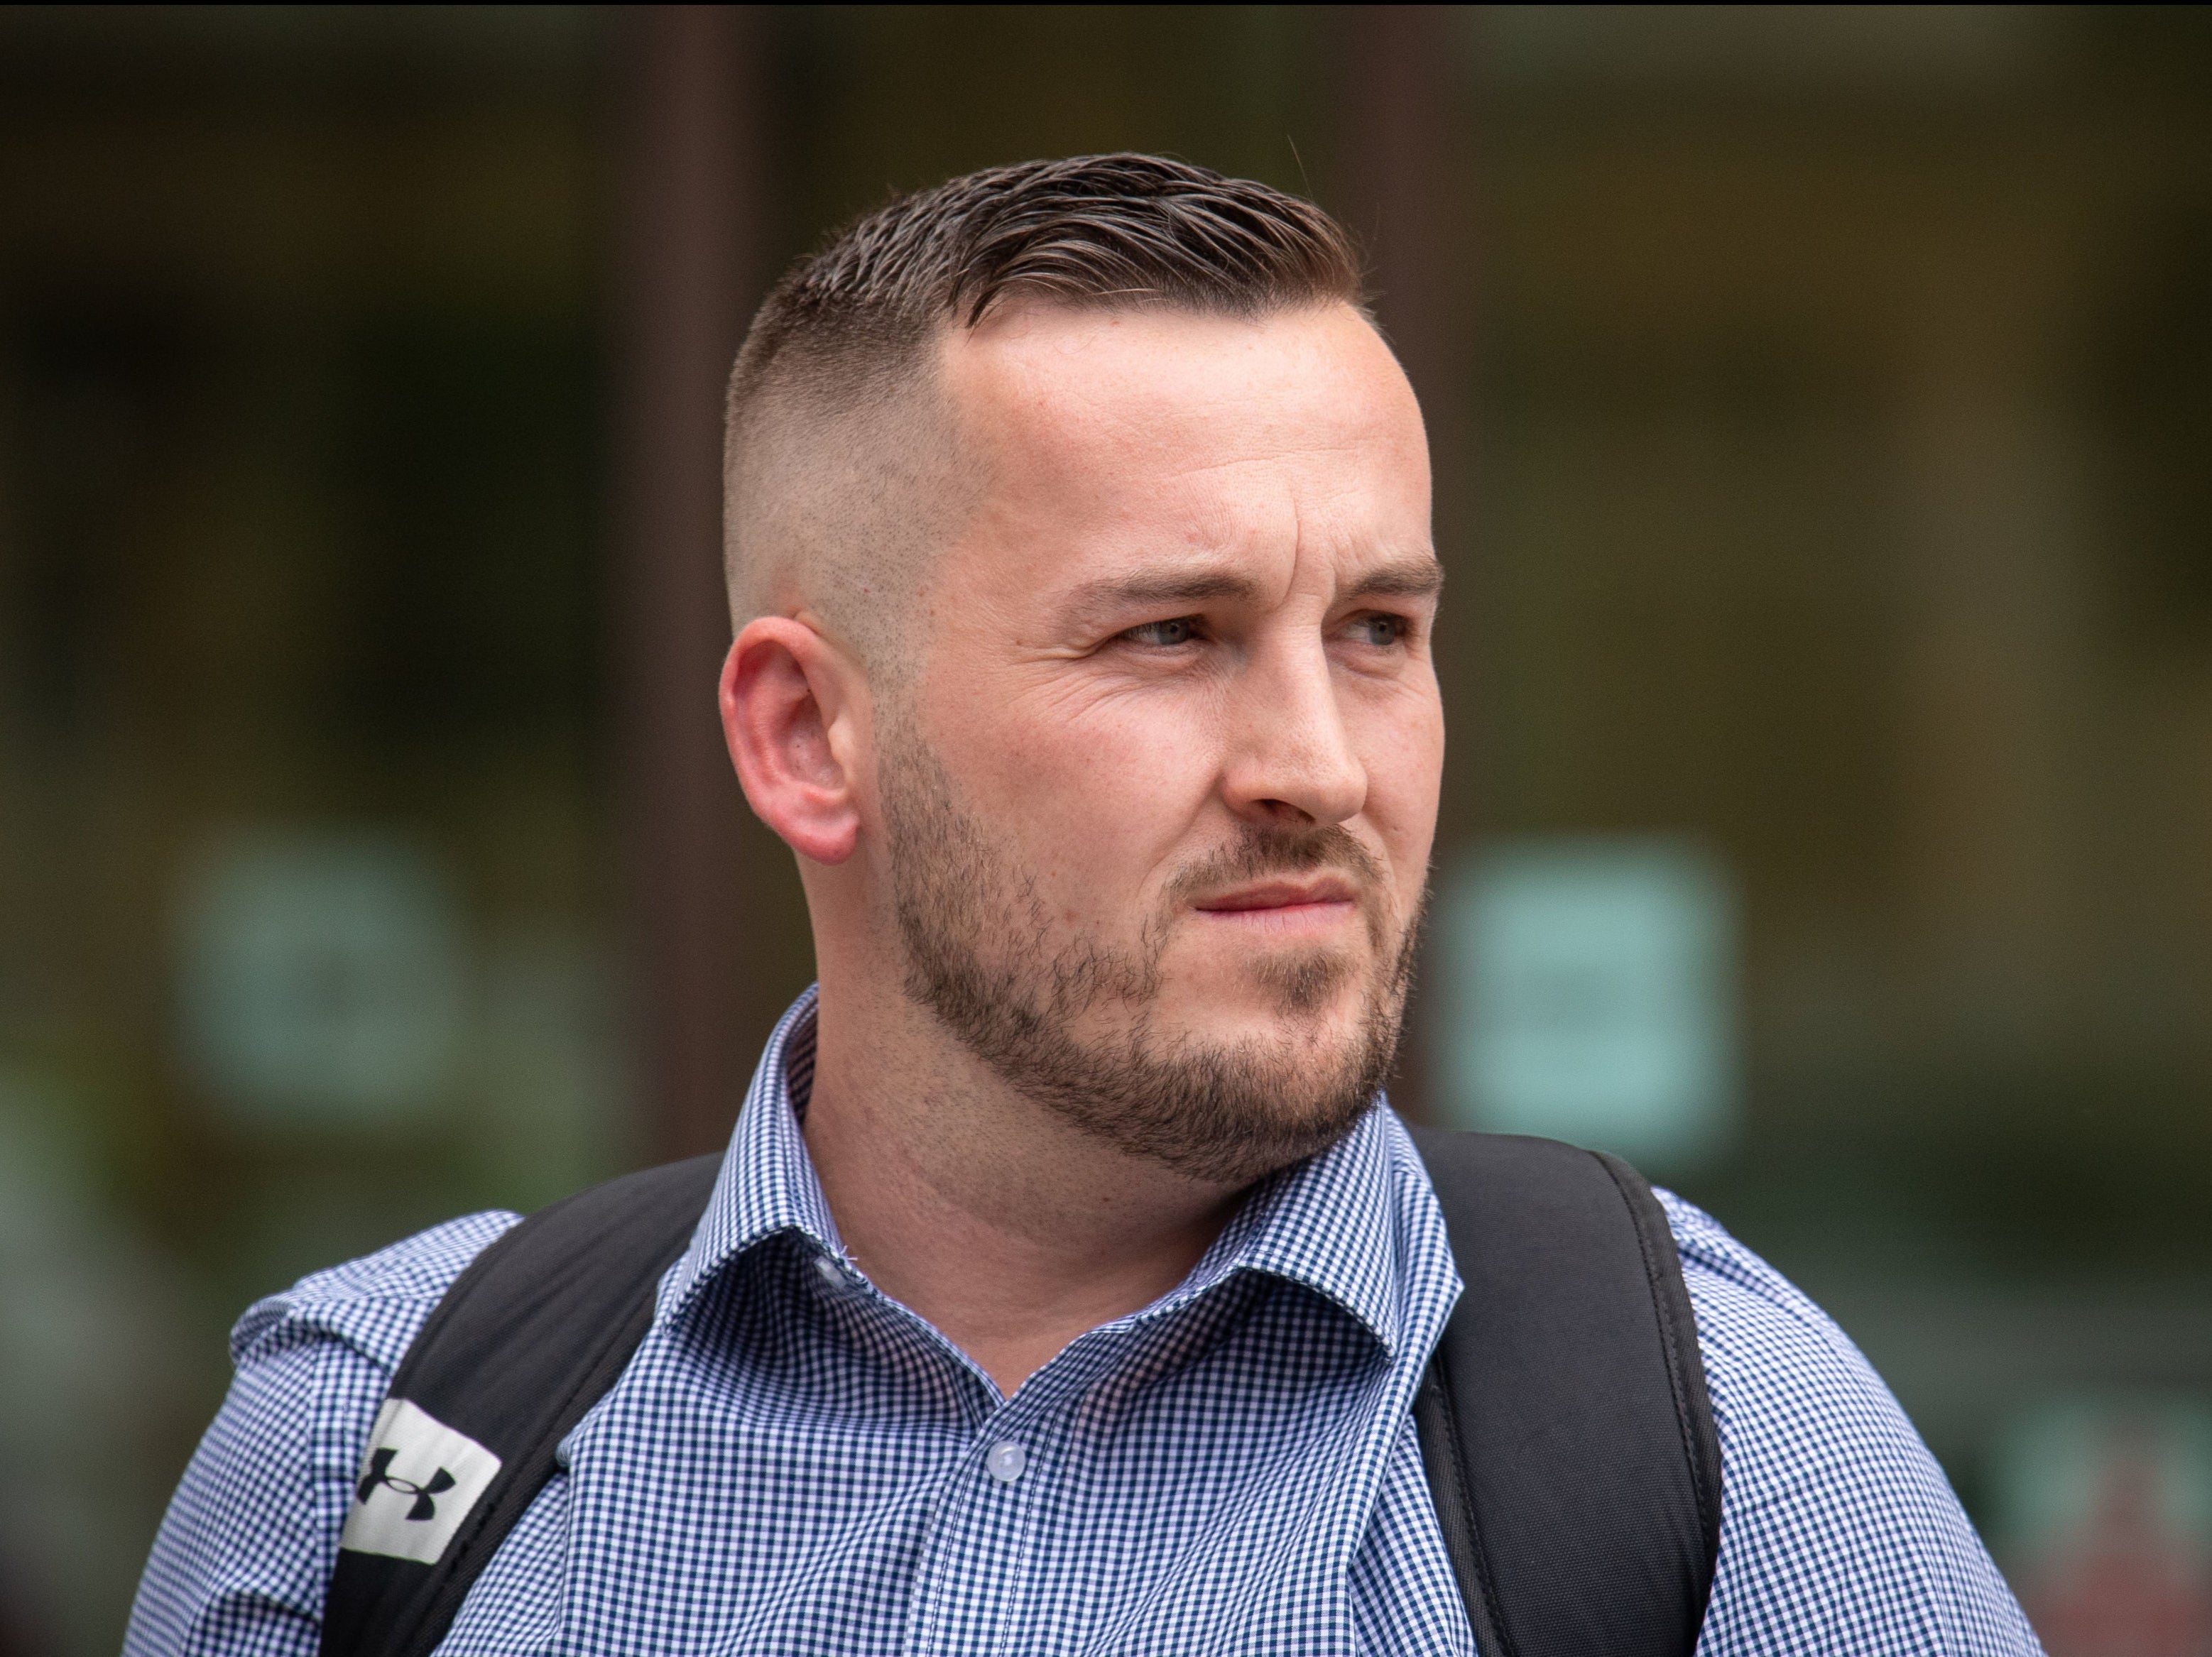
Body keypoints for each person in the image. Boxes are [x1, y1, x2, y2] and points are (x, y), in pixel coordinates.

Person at [127, 154, 2039, 1656]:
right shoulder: (376, 1458)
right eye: (1169, 635)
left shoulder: (1713, 1457)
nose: (1319, 759)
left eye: (1377, 629)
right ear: (806, 738)